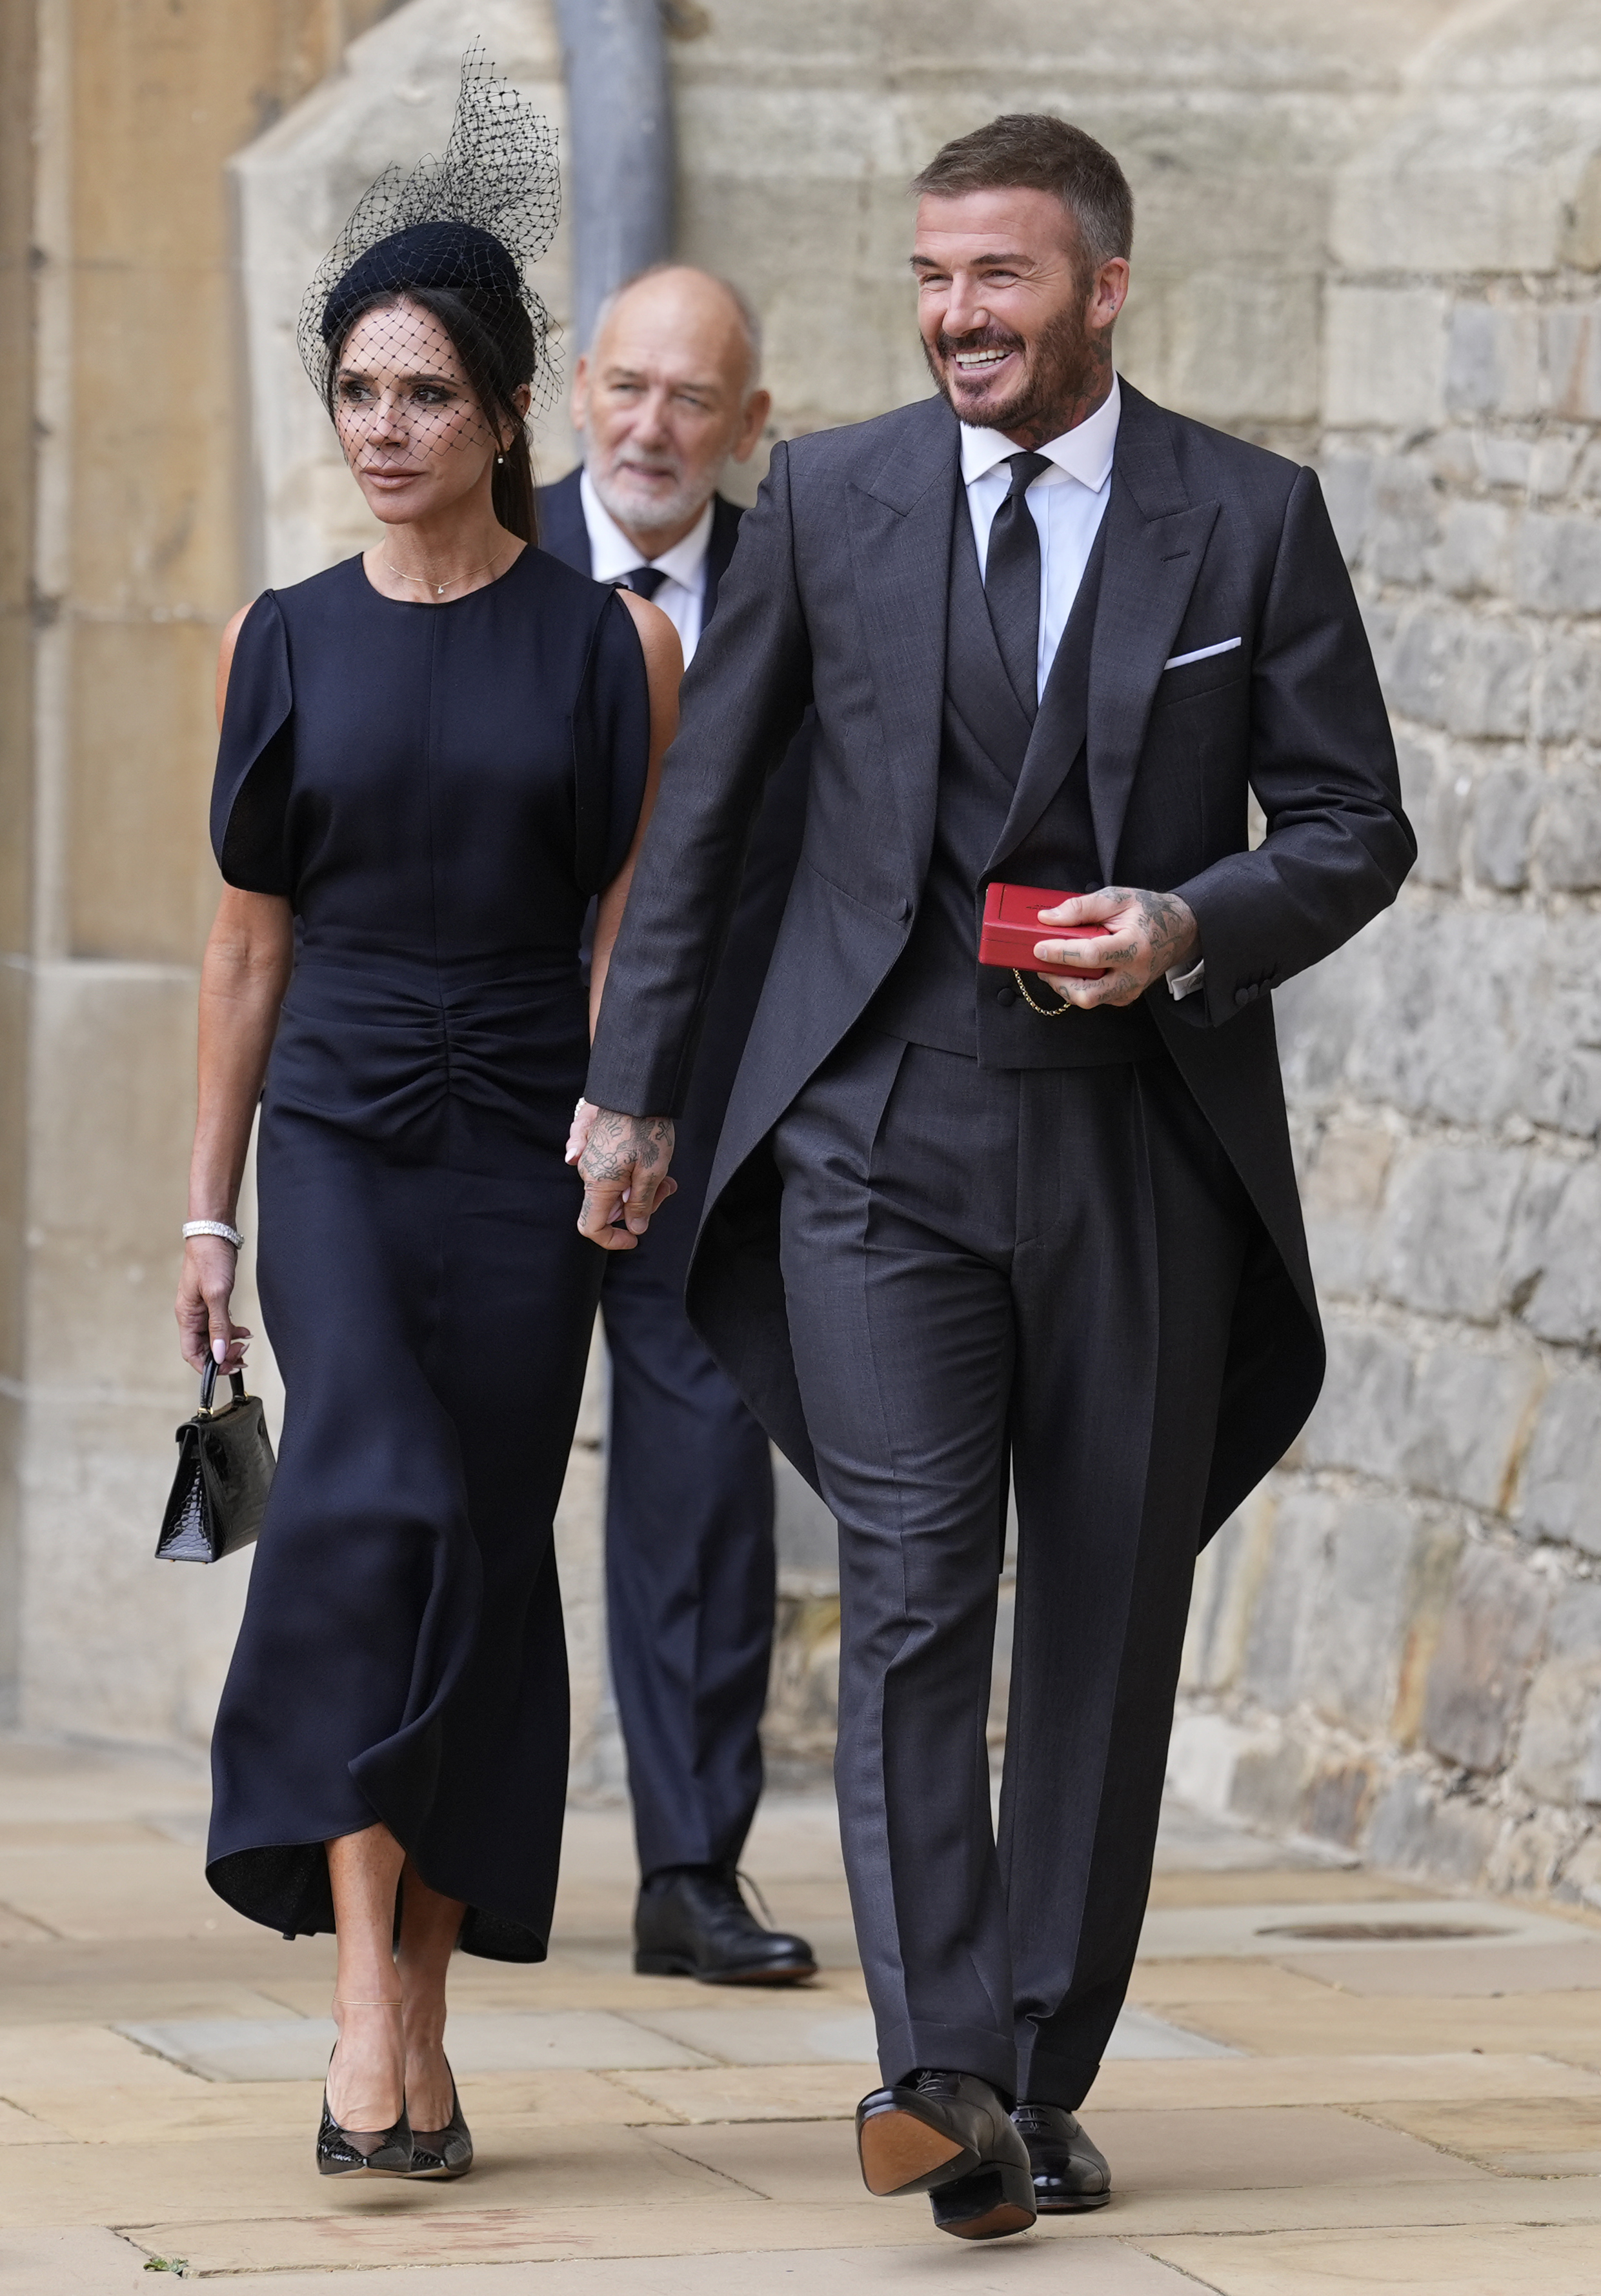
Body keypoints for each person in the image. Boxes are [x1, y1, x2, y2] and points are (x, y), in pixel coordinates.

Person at [572, 113, 1415, 2241]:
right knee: (917, 1596)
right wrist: (636, 1091)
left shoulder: (1247, 519)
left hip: (1140, 1141)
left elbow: (1347, 821)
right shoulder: (834, 501)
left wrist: (1190, 924)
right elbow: (712, 829)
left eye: (999, 280)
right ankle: (936, 2073)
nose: (954, 316)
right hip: (874, 1134)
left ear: (1100, 291)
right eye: (933, 278)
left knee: (1106, 1626)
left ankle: (1043, 2070)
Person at [173, 56, 678, 2182]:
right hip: (347, 1148)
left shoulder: (612, 645)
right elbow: (239, 959)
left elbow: (628, 939)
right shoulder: (272, 642)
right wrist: (204, 1227)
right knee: (369, 1512)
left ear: (503, 417)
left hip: (521, 1151)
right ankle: (365, 1983)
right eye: (358, 391)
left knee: (485, 1548)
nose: (384, 431)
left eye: (425, 396)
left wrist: (627, 1121)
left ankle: (426, 2017)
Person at [539, 265, 816, 1984]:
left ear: (748, 424)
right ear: (579, 391)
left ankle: (688, 1872)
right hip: (492, 1112)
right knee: (468, 1480)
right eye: (628, 389)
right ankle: (446, 1859)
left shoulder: (803, 588)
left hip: (715, 1124)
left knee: (706, 1482)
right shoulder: (481, 568)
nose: (652, 427)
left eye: (692, 400)